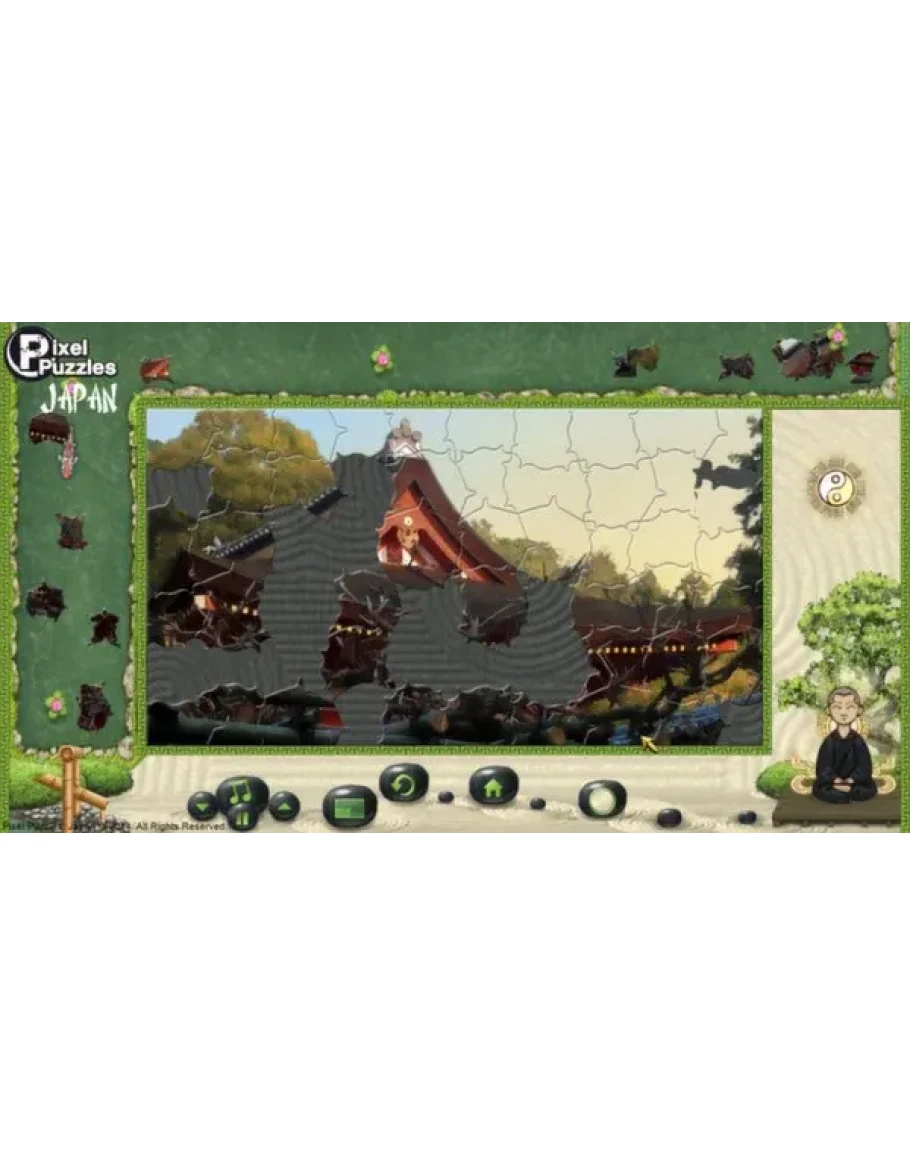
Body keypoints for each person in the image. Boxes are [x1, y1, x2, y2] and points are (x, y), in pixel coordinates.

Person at [813, 688, 877, 804]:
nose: (843, 712)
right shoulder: (829, 741)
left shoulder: (858, 741)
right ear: (828, 710)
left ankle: (847, 793)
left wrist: (850, 780)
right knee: (821, 790)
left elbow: (864, 767)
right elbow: (823, 768)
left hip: (855, 783)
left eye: (850, 707)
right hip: (832, 783)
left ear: (859, 710)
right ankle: (844, 794)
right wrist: (836, 781)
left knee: (867, 789)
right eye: (837, 707)